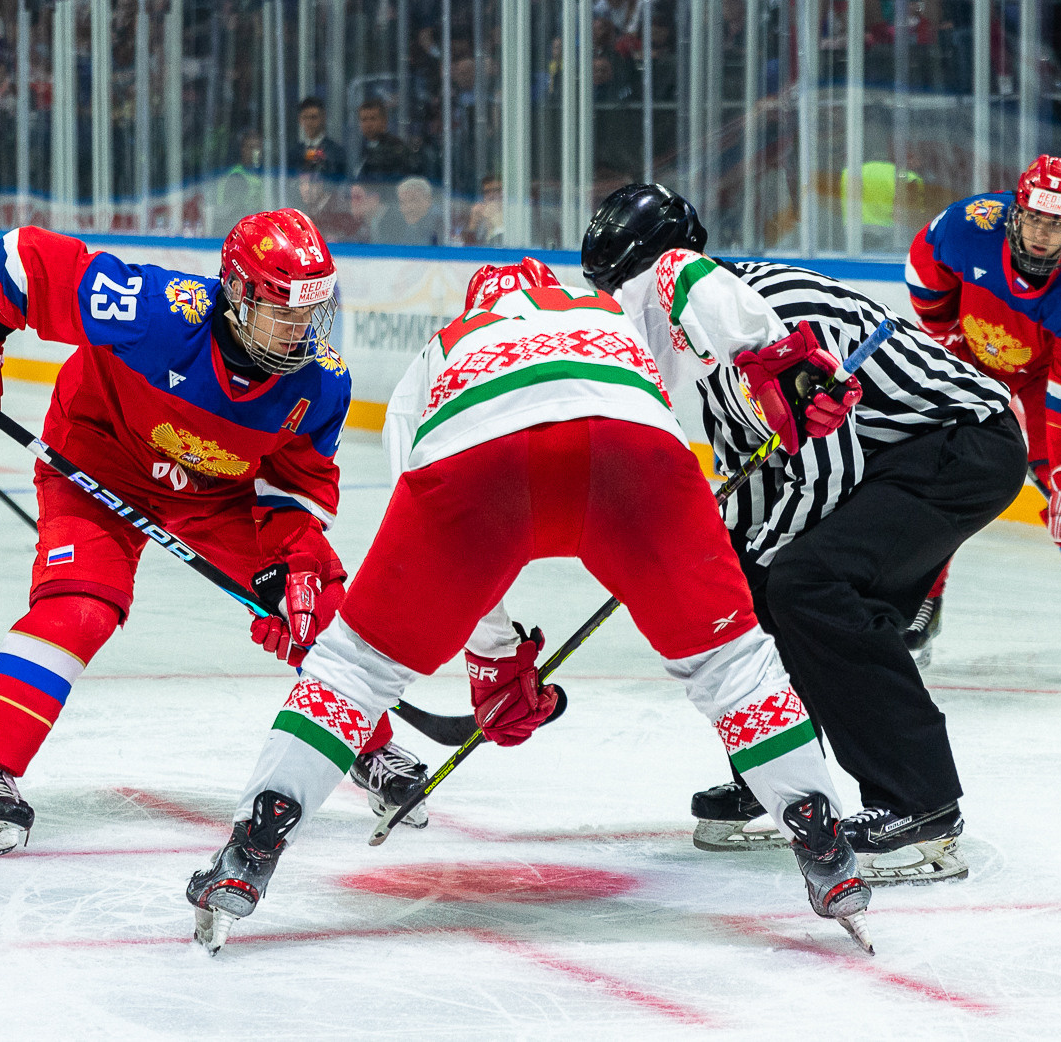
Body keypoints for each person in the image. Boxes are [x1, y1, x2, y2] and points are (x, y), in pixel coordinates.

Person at [184, 257, 871, 954]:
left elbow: (420, 500)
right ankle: (818, 829)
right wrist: (773, 353)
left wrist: (493, 655)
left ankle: (257, 838)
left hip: (479, 455)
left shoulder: (444, 347)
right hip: (633, 446)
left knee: (356, 668)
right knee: (733, 663)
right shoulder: (605, 310)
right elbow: (680, 273)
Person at [0, 209, 426, 855]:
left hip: (217, 494)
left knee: (315, 598)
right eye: (282, 312)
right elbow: (22, 259)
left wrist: (293, 559)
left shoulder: (321, 383)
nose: (299, 332)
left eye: (309, 314)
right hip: (99, 460)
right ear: (237, 297)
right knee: (81, 605)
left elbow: (296, 484)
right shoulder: (157, 312)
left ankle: (367, 748)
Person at [582, 183, 1022, 884]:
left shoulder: (774, 315)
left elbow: (827, 470)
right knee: (756, 582)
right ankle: (782, 780)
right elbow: (749, 484)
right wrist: (722, 559)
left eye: (626, 286)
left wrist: (757, 555)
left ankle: (921, 805)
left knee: (812, 582)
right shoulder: (707, 347)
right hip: (891, 459)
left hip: (958, 445)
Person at [901, 157, 1061, 670]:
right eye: (1036, 219)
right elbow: (922, 269)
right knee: (946, 476)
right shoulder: (971, 223)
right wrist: (946, 340)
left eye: (1060, 224)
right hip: (971, 361)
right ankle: (926, 595)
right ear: (1015, 212)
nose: (1044, 235)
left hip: (1046, 380)